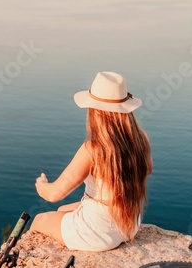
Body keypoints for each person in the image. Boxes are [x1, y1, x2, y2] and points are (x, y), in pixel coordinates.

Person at [30, 71, 152, 251]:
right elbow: (147, 170)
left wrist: (41, 185)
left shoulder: (93, 149)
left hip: (99, 232)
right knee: (62, 210)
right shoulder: (141, 140)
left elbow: (54, 194)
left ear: (95, 111)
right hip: (128, 224)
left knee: (40, 220)